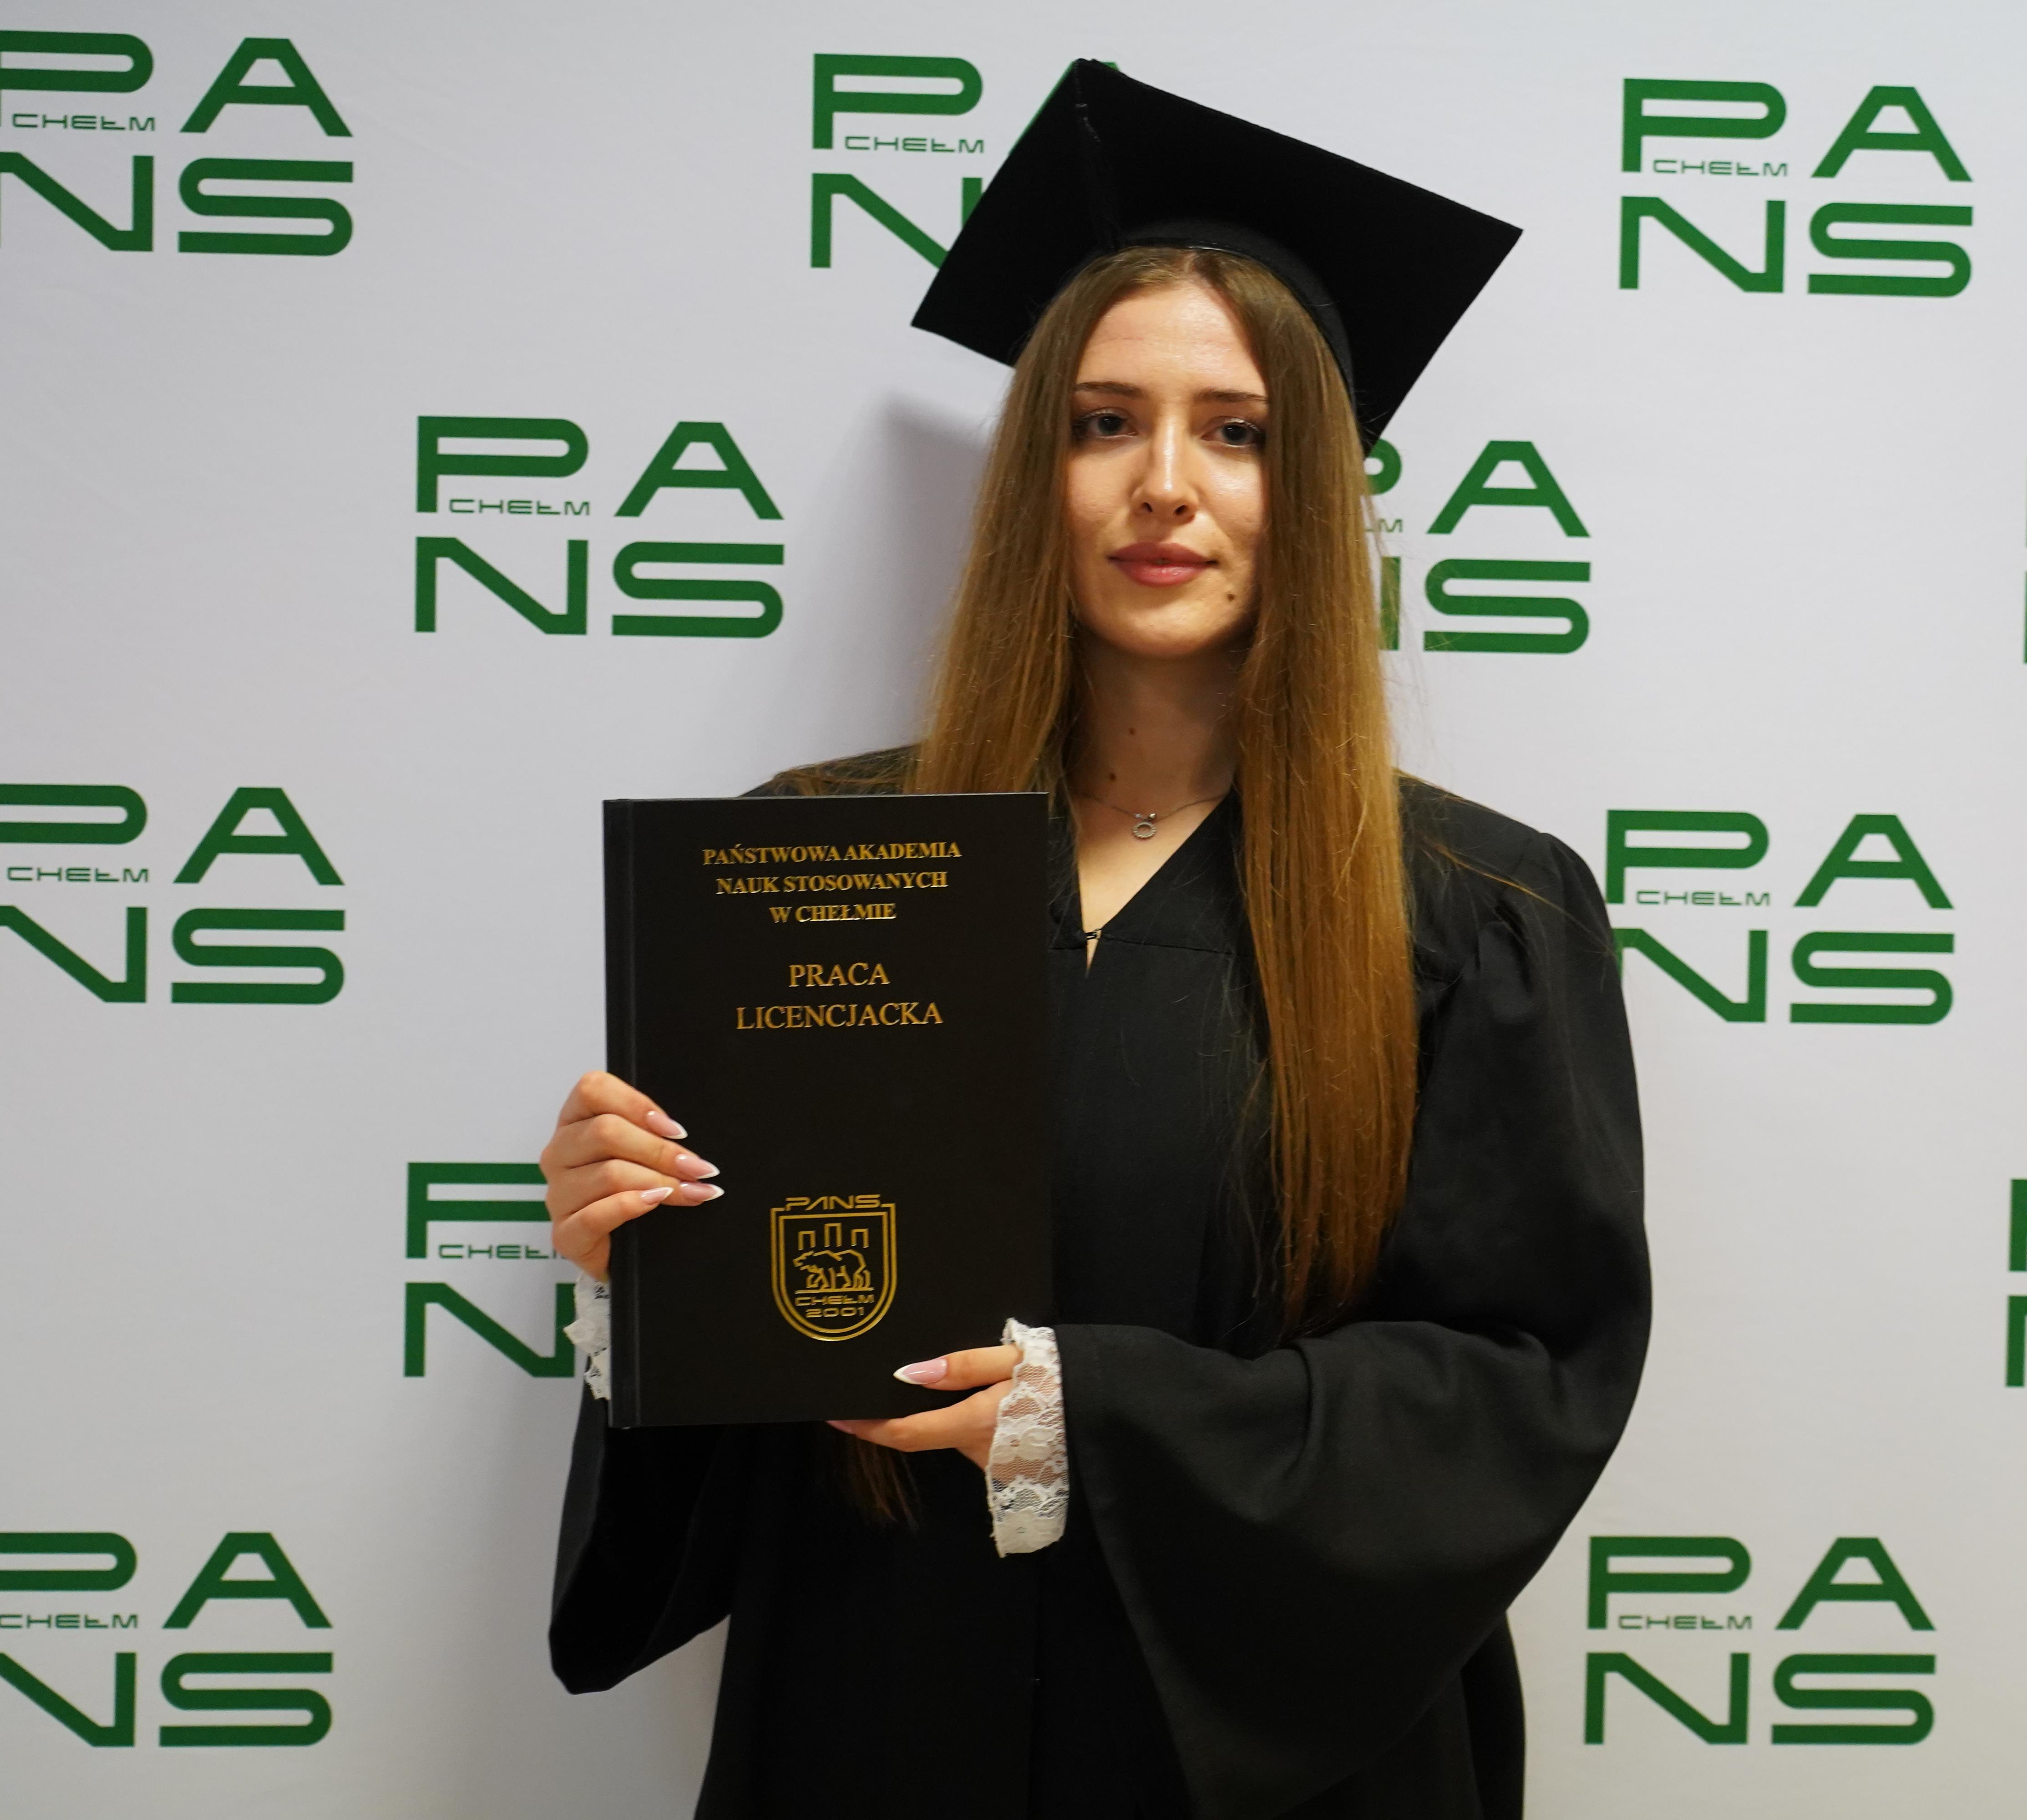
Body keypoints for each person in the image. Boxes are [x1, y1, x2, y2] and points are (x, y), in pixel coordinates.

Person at [538, 61, 1651, 1820]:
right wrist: (641, 1268)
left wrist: (1098, 1419)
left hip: (1273, 1775)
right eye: (1104, 423)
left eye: (1239, 432)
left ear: (1320, 487)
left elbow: (1514, 1387)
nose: (1166, 487)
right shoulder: (820, 863)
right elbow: (758, 1359)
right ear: (1033, 475)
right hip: (880, 1713)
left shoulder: (1474, 912)